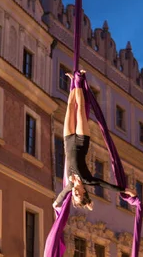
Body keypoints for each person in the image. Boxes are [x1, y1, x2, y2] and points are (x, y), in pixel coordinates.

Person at [53, 73, 136, 210]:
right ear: (84, 191)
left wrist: (57, 205)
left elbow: (58, 200)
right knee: (79, 110)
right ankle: (78, 80)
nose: (76, 192)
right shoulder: (87, 180)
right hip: (81, 141)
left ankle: (73, 83)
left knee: (70, 107)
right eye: (79, 194)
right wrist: (125, 190)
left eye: (75, 195)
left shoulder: (70, 185)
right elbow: (105, 185)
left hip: (67, 140)